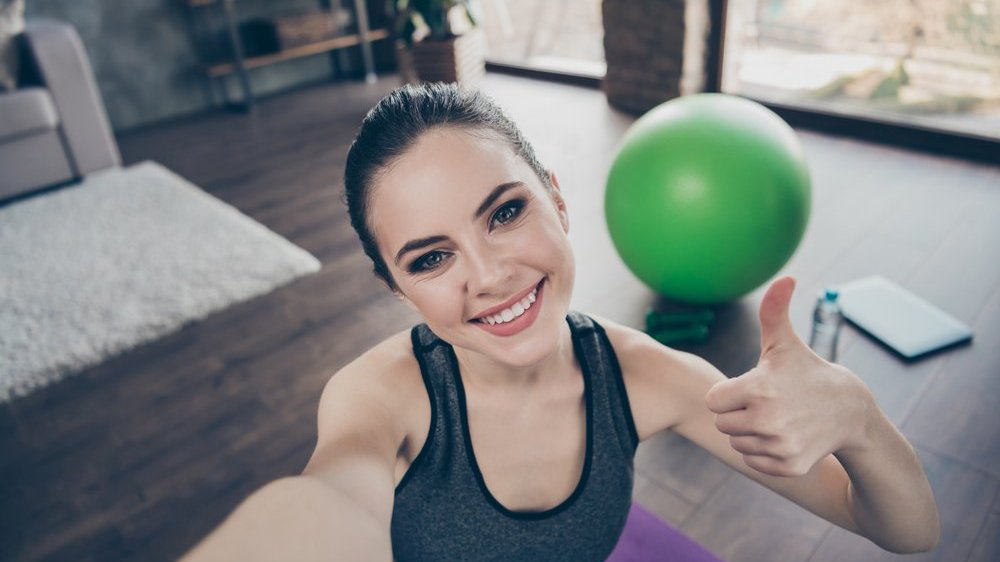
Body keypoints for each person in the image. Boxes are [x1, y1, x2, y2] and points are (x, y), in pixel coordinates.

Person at [181, 83, 939, 561]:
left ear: (557, 198)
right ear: (398, 289)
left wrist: (860, 420)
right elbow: (326, 504)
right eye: (430, 259)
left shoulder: (645, 376)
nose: (490, 276)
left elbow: (906, 531)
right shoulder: (376, 397)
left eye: (505, 213)